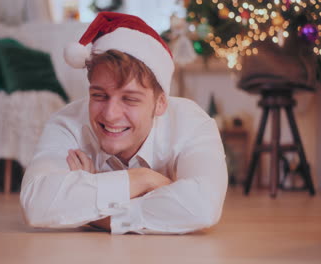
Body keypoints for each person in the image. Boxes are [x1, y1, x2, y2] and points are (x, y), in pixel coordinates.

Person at [20, 12, 228, 235]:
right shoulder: (66, 124)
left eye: (129, 99)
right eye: (99, 95)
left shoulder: (191, 124)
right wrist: (143, 180)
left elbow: (202, 207)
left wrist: (94, 209)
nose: (110, 115)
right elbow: (37, 204)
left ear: (160, 104)